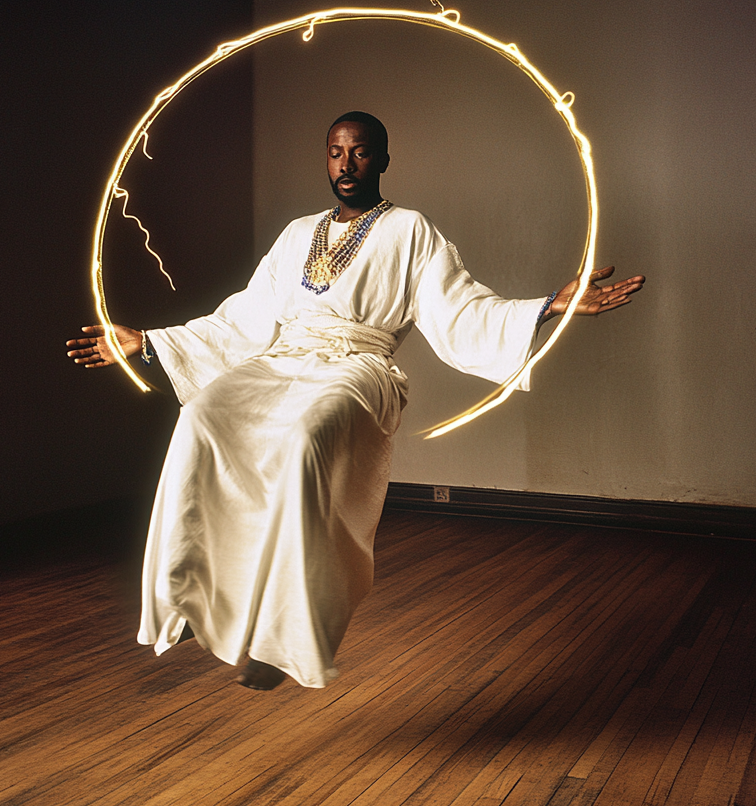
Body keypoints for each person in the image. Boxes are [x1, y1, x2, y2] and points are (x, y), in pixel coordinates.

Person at [67, 111, 645, 691]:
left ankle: (284, 637)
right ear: (326, 158)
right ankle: (193, 593)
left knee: (306, 440)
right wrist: (149, 342)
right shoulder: (296, 235)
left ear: (384, 160)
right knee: (200, 418)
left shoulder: (410, 231)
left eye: (361, 152)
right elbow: (243, 317)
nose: (346, 164)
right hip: (282, 359)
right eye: (336, 152)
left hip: (358, 365)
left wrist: (546, 306)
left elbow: (464, 310)